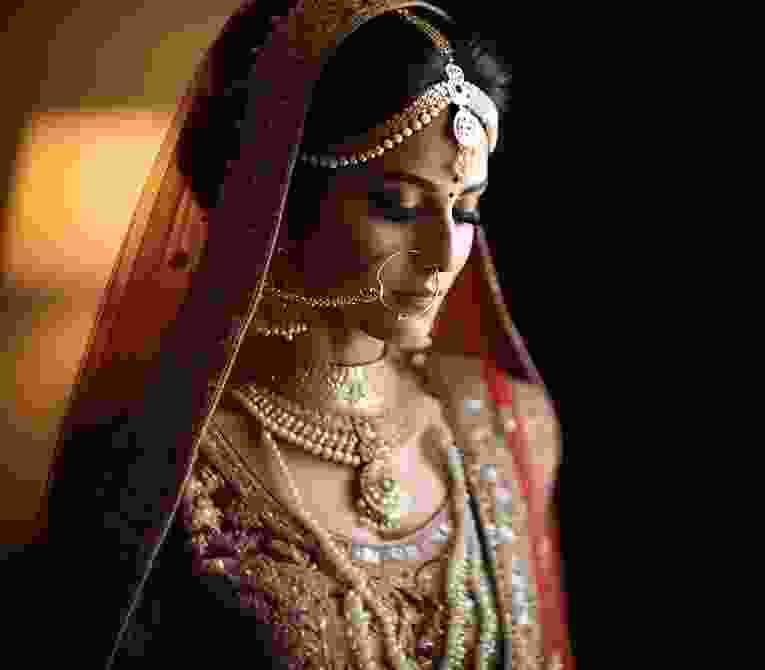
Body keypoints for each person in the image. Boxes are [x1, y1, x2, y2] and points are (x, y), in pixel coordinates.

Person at [35, 1, 572, 669]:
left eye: (465, 211)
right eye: (397, 207)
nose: (442, 254)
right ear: (281, 198)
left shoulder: (509, 424)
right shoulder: (154, 464)